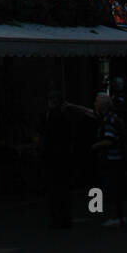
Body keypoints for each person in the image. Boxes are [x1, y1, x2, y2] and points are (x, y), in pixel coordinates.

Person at [40, 91, 91, 228]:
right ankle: (64, 218)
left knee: (55, 191)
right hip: (64, 157)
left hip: (54, 159)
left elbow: (47, 138)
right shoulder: (66, 117)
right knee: (63, 190)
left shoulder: (52, 117)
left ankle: (57, 219)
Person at [90, 92, 127, 227]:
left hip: (111, 158)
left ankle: (114, 216)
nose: (95, 104)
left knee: (111, 187)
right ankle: (120, 215)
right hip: (117, 158)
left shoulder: (108, 120)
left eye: (96, 102)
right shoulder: (113, 117)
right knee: (117, 186)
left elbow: (109, 140)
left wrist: (94, 146)